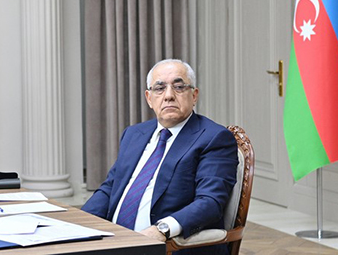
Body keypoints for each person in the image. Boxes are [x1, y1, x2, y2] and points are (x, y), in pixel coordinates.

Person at [81, 59, 238, 255]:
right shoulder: (134, 134)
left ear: (194, 95)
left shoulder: (214, 138)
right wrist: (80, 223)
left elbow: (210, 202)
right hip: (116, 240)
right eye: (159, 88)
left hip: (168, 247)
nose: (169, 96)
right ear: (149, 98)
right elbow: (111, 188)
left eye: (179, 87)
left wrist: (161, 230)